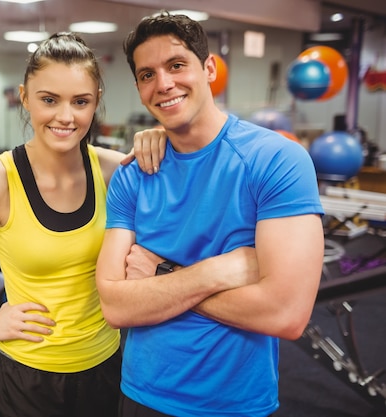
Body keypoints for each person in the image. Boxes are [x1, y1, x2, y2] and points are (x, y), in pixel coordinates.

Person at [0, 32, 167, 417]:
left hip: (106, 367)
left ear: (96, 103)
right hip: (27, 378)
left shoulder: (112, 170)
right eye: (49, 100)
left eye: (81, 101)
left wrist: (161, 138)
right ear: (24, 97)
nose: (66, 117)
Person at [95, 11, 325, 417]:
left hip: (233, 403)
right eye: (147, 74)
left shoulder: (276, 160)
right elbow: (116, 307)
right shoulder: (134, 174)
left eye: (177, 65)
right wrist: (218, 272)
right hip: (141, 394)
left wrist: (161, 275)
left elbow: (286, 315)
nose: (163, 83)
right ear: (138, 87)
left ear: (209, 68)